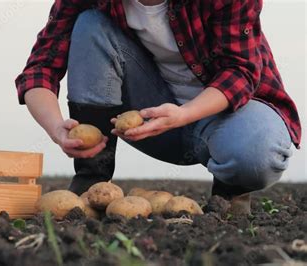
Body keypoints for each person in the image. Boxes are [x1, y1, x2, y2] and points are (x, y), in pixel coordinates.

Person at [15, 0, 301, 214]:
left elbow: (240, 71)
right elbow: (40, 67)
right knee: (90, 25)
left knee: (257, 153)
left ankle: (230, 195)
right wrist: (56, 128)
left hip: (223, 118)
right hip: (151, 121)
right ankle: (93, 183)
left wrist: (184, 114)